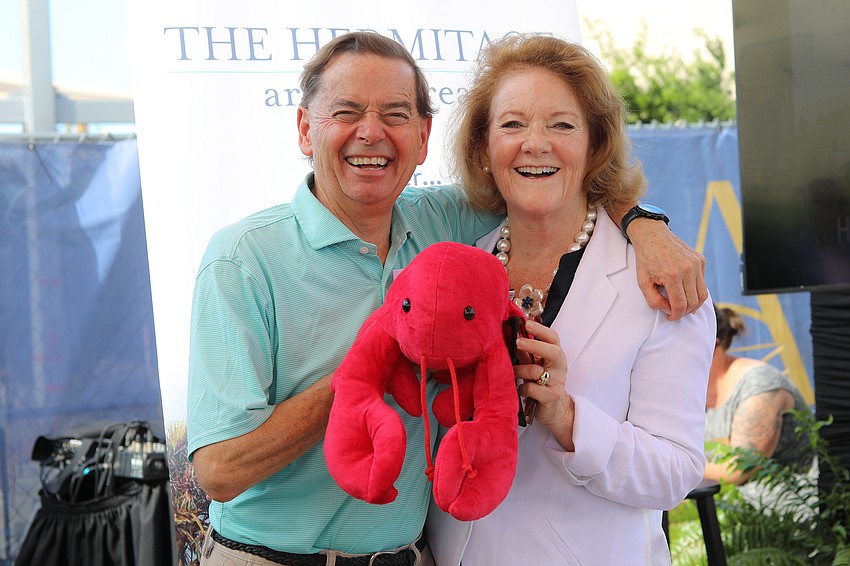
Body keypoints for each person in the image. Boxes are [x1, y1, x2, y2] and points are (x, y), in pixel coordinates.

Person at [187, 32, 707, 566]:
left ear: (423, 135)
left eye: (394, 113)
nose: (371, 132)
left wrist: (645, 225)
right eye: (346, 111)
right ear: (304, 129)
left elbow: (556, 183)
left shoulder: (441, 229)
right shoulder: (243, 258)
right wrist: (372, 364)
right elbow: (219, 472)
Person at [425, 34, 716, 565]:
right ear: (482, 150)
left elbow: (676, 473)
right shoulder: (460, 266)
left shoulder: (660, 278)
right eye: (512, 124)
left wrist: (564, 414)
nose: (535, 143)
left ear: (594, 146)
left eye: (562, 124)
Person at [704, 306, 815, 487]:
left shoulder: (760, 386)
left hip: (784, 507)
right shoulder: (688, 389)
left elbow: (738, 471)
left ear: (711, 344)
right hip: (722, 505)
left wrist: (678, 469)